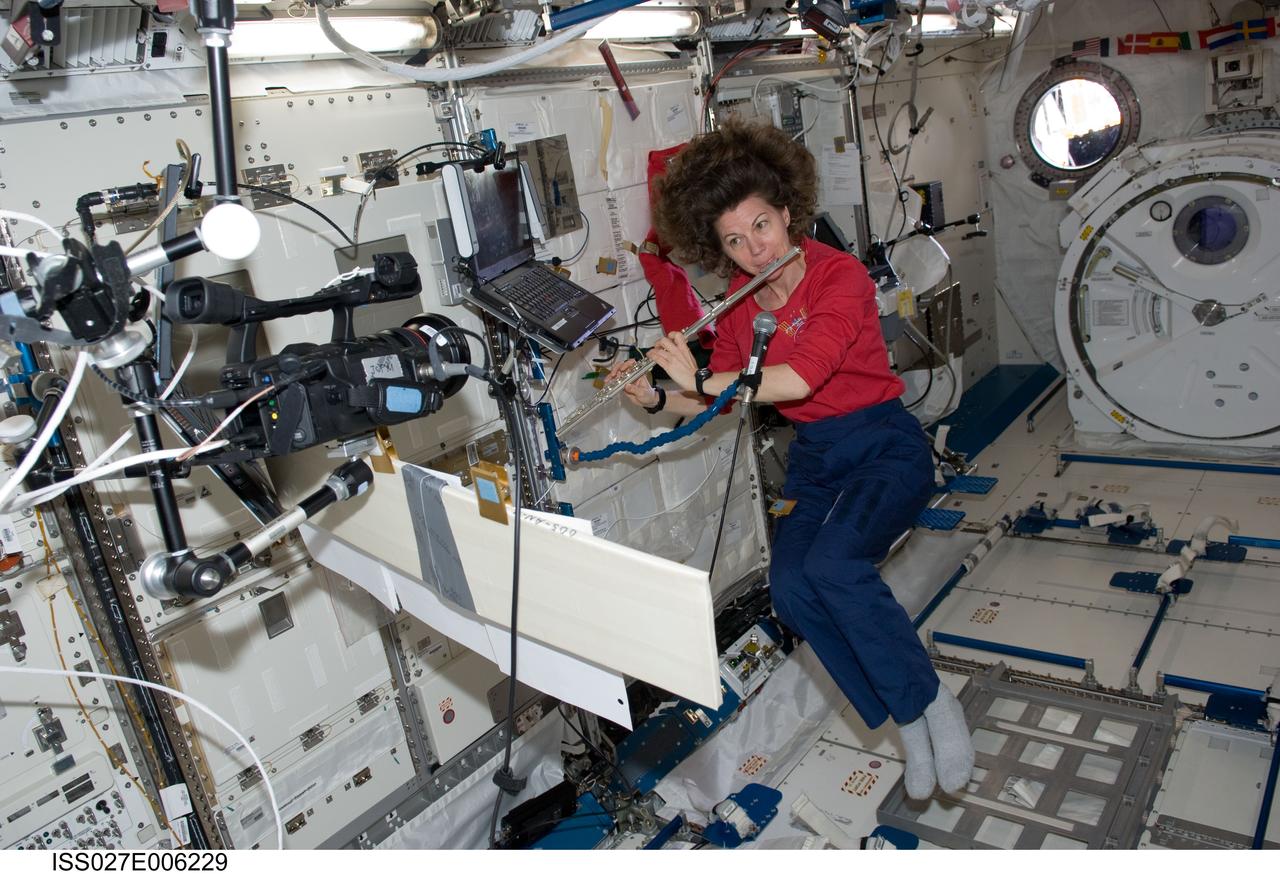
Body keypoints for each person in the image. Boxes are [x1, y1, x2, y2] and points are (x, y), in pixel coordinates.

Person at [606, 119, 973, 800]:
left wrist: (695, 379)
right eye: (734, 241)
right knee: (794, 590)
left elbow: (797, 381)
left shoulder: (840, 278)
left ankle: (931, 705)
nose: (753, 250)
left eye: (763, 226)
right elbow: (722, 400)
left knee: (834, 565)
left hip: (882, 446)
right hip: (819, 462)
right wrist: (656, 399)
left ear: (788, 213)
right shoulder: (742, 313)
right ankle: (906, 718)